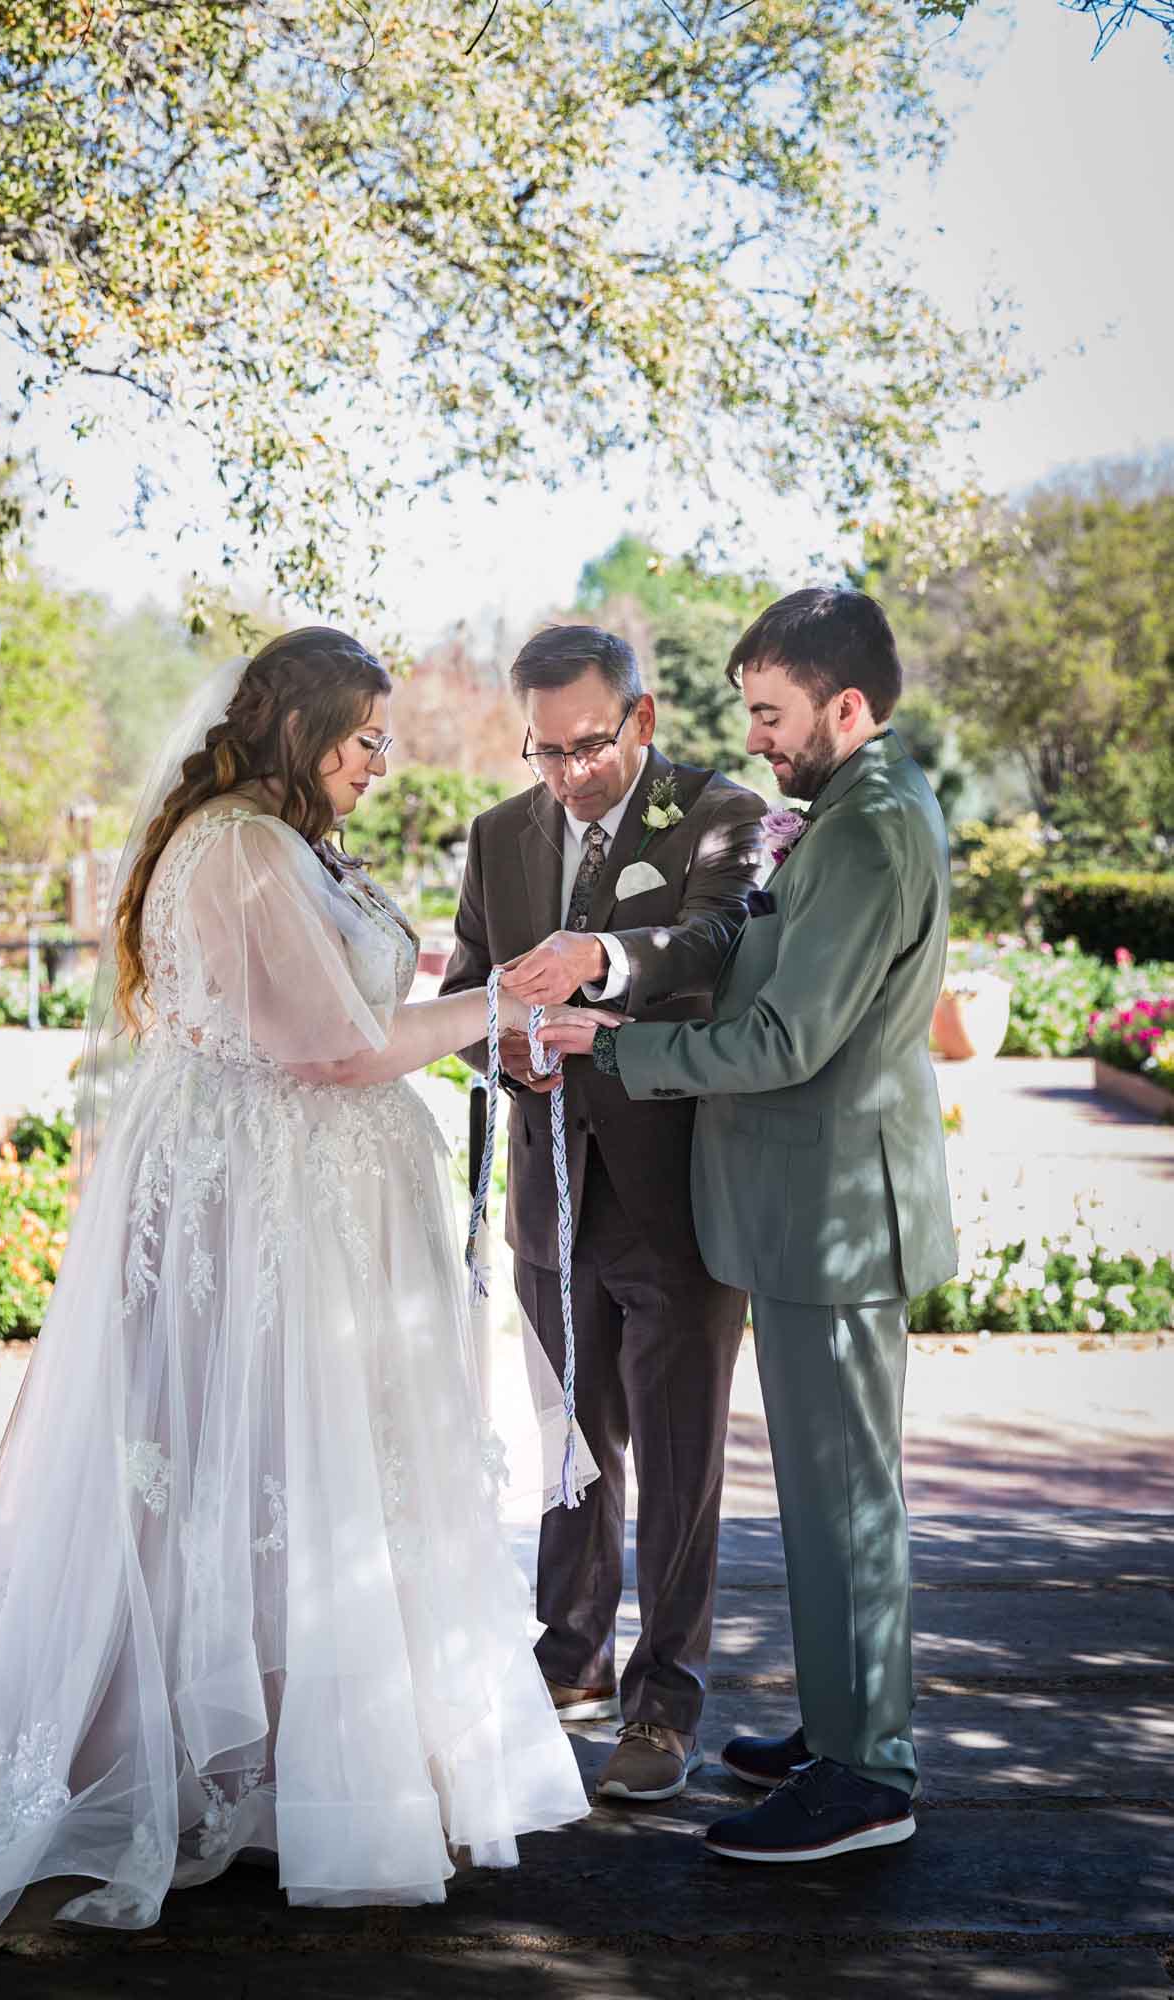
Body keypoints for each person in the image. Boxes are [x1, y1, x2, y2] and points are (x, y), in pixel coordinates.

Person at [0, 627, 617, 2000]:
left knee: (278, 1472)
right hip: (263, 1212)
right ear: (306, 729)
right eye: (366, 736)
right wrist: (495, 1001)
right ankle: (252, 1764)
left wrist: (480, 1027)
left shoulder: (274, 840)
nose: (381, 761)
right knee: (256, 1466)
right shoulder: (246, 849)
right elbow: (324, 1048)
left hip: (297, 1208)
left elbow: (331, 1020)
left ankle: (276, 1746)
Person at [539, 588, 958, 1861]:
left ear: (846, 705)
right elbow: (756, 948)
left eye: (772, 716)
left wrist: (624, 1043)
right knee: (832, 1497)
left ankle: (868, 1775)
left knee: (847, 1501)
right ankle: (839, 1729)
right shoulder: (842, 813)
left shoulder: (872, 829)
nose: (759, 740)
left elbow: (785, 1036)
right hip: (802, 1211)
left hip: (832, 1216)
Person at [441, 624, 766, 1805]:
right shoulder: (496, 834)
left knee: (679, 1455)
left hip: (676, 1191)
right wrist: (502, 1047)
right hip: (548, 1190)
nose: (568, 773)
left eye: (588, 745)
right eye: (544, 752)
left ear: (640, 720)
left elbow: (713, 946)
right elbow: (463, 987)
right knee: (569, 1442)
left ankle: (663, 1700)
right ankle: (567, 1657)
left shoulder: (723, 814)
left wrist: (598, 956)